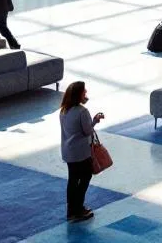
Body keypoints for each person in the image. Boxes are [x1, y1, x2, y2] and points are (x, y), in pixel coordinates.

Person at [59, 81, 105, 223]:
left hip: (68, 151)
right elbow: (87, 131)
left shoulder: (63, 110)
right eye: (84, 92)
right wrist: (95, 121)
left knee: (72, 180)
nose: (86, 93)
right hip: (81, 152)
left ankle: (71, 210)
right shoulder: (82, 111)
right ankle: (78, 208)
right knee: (85, 177)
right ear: (79, 95)